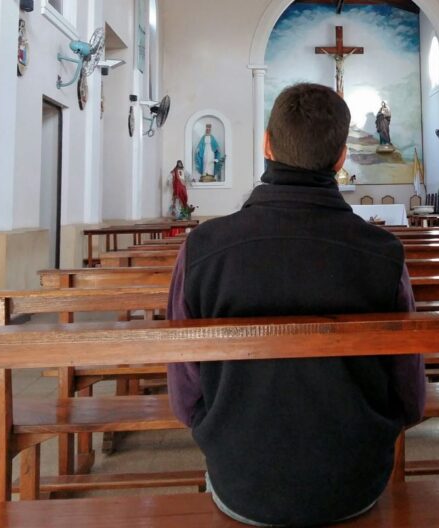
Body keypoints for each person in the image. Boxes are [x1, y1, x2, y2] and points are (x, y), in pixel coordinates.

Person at [167, 83, 425, 527]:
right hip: (356, 479)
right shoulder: (384, 253)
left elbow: (185, 392)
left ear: (267, 145)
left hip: (241, 480)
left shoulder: (203, 249)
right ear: (341, 158)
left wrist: (220, 428)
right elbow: (409, 394)